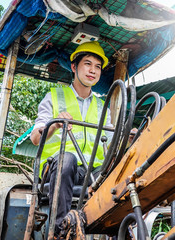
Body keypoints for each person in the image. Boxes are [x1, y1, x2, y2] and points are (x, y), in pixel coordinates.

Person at [30, 41, 113, 234]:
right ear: (74, 67)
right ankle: (61, 231)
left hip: (90, 172)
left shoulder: (102, 107)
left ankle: (115, 231)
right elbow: (35, 138)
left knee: (118, 171)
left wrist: (130, 137)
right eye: (88, 63)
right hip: (57, 168)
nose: (93, 70)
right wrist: (55, 123)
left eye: (98, 67)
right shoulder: (54, 97)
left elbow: (112, 140)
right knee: (68, 159)